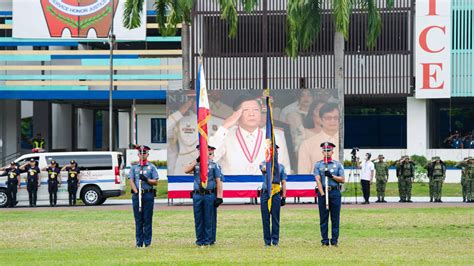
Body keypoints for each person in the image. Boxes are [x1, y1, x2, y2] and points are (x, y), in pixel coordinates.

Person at [210, 94, 291, 175]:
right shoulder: (225, 136)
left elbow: (284, 170)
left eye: (256, 110)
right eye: (246, 110)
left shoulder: (274, 137)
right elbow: (208, 158)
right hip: (233, 186)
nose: (251, 114)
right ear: (236, 115)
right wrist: (225, 126)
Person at [167, 97, 225, 175]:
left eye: (202, 100)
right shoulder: (181, 121)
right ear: (191, 103)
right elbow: (165, 129)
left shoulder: (220, 122)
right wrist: (180, 112)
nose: (200, 104)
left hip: (210, 170)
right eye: (196, 100)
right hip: (186, 170)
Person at [184, 145, 223, 246]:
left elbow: (219, 182)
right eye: (206, 153)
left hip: (209, 194)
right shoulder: (197, 164)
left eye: (210, 153)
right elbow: (186, 170)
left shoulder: (214, 166)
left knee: (209, 218)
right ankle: (200, 240)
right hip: (197, 195)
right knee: (198, 218)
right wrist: (197, 160)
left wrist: (219, 197)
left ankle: (209, 240)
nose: (208, 155)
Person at [314, 142, 345, 247]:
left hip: (335, 192)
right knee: (323, 217)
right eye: (325, 150)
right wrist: (322, 193)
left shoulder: (337, 164)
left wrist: (331, 176)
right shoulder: (318, 165)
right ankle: (324, 240)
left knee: (335, 217)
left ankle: (334, 240)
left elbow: (342, 179)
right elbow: (317, 179)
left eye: (329, 150)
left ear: (332, 152)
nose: (327, 152)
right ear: (322, 152)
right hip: (323, 192)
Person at [129, 145, 159, 248]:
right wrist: (136, 191)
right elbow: (131, 181)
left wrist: (146, 180)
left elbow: (155, 181)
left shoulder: (151, 167)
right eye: (141, 153)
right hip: (137, 195)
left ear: (147, 154)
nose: (142, 155)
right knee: (138, 220)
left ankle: (147, 242)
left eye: (144, 153)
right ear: (138, 154)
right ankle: (139, 242)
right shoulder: (134, 167)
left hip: (148, 194)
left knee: (147, 219)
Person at [298, 103, 340, 174]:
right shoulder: (307, 145)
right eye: (328, 118)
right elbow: (303, 175)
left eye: (336, 118)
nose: (333, 121)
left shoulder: (347, 141)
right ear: (321, 120)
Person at [259, 145, 287, 246]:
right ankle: (267, 241)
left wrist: (284, 196)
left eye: (275, 152)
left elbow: (283, 182)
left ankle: (275, 241)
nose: (274, 153)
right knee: (265, 218)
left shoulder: (281, 167)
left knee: (275, 218)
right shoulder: (263, 163)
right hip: (265, 194)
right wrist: (269, 161)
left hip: (276, 194)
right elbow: (264, 169)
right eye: (271, 151)